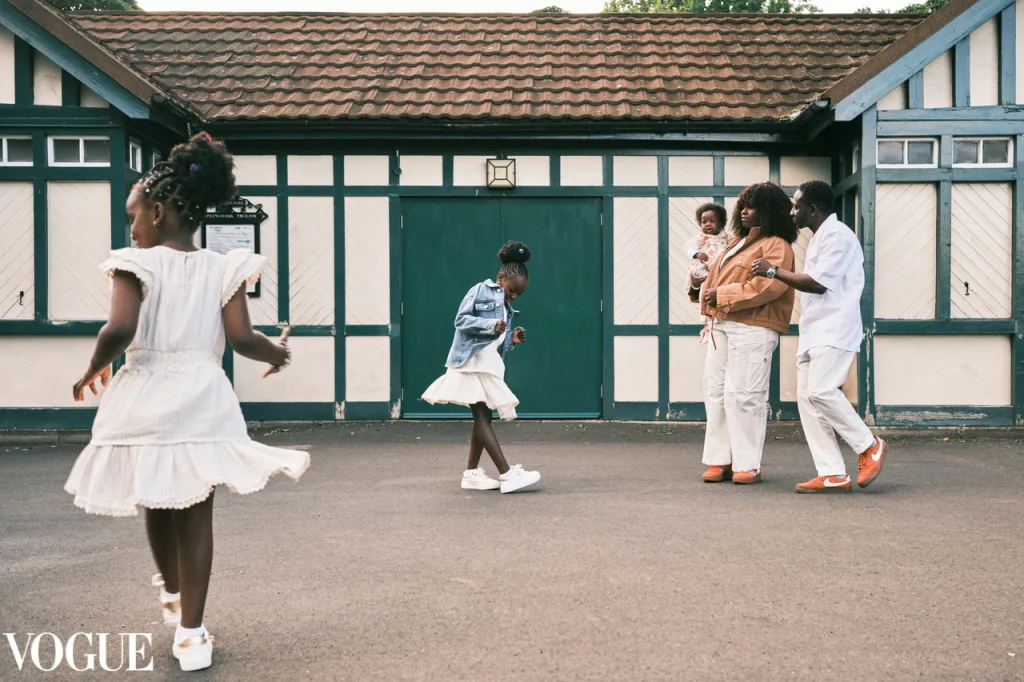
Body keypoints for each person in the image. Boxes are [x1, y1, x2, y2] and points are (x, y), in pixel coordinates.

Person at [64, 133, 309, 672]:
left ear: (156, 210)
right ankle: (192, 634)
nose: (130, 228)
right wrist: (279, 352)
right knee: (196, 513)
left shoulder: (134, 262)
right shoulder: (225, 268)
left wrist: (93, 365)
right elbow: (243, 339)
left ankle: (173, 591)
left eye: (133, 216)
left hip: (146, 390)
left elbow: (121, 328)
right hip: (201, 394)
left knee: (155, 496)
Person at [751, 180, 887, 493]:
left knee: (823, 390)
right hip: (815, 329)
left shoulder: (838, 236)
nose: (791, 211)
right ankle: (832, 474)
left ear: (812, 209)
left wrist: (772, 271)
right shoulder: (819, 238)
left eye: (796, 205)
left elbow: (817, 283)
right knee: (808, 400)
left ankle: (869, 444)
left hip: (835, 328)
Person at [689, 182, 797, 485]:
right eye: (743, 205)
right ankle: (719, 459)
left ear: (770, 211)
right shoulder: (736, 241)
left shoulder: (777, 245)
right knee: (717, 392)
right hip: (720, 324)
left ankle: (747, 463)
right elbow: (712, 278)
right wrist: (700, 287)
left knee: (746, 395)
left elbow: (768, 287)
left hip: (754, 327)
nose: (744, 211)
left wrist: (719, 295)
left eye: (752, 206)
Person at [421, 241, 541, 494]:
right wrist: (490, 326)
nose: (514, 296)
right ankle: (507, 475)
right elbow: (461, 320)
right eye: (512, 290)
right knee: (481, 415)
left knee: (484, 417)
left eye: (519, 294)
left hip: (488, 365)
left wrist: (511, 339)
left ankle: (472, 473)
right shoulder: (480, 290)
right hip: (470, 362)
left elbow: (496, 342)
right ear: (500, 278)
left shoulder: (508, 307)